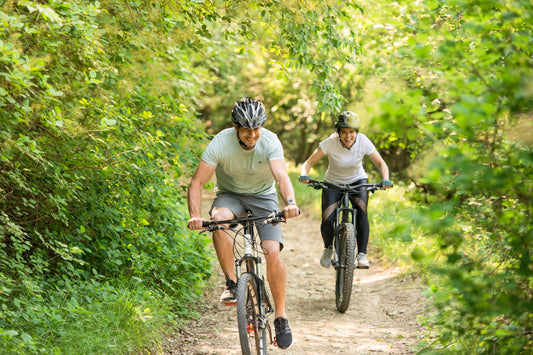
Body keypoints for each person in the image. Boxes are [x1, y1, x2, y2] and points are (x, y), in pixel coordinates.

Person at [187, 97, 300, 349]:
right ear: (236, 127)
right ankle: (231, 282)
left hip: (264, 196)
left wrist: (290, 202)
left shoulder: (269, 141)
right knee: (218, 221)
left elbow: (281, 176)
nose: (252, 134)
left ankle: (281, 316)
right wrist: (195, 215)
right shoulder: (220, 143)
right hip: (231, 196)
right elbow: (197, 182)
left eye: (256, 128)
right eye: (247, 129)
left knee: (272, 250)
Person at [298, 111, 392, 269]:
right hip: (333, 182)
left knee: (362, 212)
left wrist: (386, 178)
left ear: (356, 132)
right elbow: (308, 163)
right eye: (344, 132)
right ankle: (328, 248)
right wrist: (304, 174)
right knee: (328, 218)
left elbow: (380, 163)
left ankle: (362, 254)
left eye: (352, 132)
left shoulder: (363, 141)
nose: (348, 136)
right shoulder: (330, 142)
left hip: (358, 181)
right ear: (338, 133)